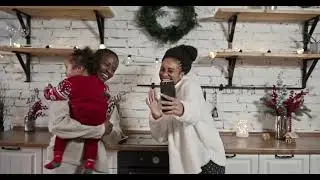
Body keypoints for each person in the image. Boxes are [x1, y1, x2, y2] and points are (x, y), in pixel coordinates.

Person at [146, 45, 226, 174]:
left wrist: (182, 109)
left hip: (205, 160)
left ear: (182, 73)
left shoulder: (191, 86)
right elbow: (160, 137)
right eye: (162, 69)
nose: (164, 74)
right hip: (187, 165)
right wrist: (156, 116)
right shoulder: (167, 94)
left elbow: (194, 113)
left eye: (170, 70)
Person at [44, 48, 123, 174]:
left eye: (113, 69)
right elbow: (58, 126)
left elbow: (116, 136)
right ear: (94, 63)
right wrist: (100, 130)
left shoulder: (106, 95)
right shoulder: (68, 89)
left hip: (96, 166)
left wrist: (108, 131)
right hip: (64, 163)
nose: (109, 71)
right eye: (106, 65)